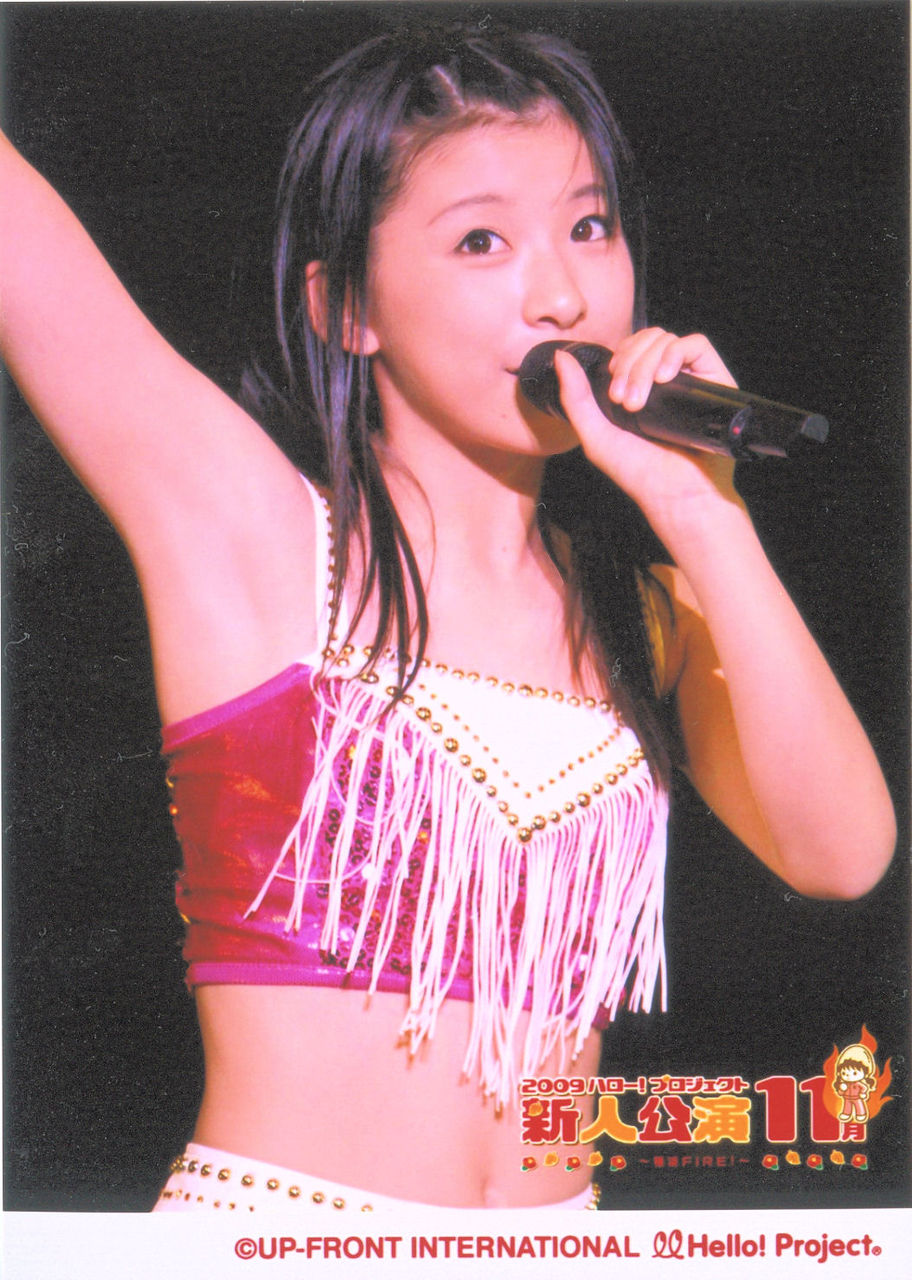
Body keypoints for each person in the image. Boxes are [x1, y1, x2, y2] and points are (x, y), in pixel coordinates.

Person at [0, 20, 895, 1212]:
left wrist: (703, 509)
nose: (563, 293)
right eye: (482, 240)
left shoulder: (647, 610)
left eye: (589, 226)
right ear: (345, 306)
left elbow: (842, 854)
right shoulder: (255, 532)